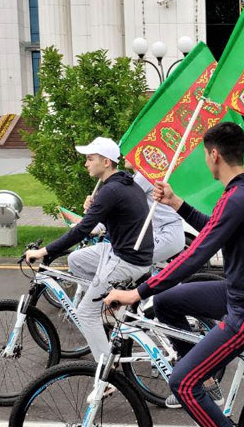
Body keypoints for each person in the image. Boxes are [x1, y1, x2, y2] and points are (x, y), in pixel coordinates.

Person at [104, 121, 244, 427]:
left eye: (205, 155)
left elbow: (195, 254)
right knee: (168, 302)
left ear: (214, 155)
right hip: (239, 292)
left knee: (182, 383)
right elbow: (214, 230)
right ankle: (206, 373)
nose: (206, 160)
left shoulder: (240, 196)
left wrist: (137, 292)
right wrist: (176, 203)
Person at [24, 137, 153, 364]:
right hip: (118, 251)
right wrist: (95, 208)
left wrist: (44, 251)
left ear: (106, 162)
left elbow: (82, 230)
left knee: (85, 313)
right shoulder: (123, 184)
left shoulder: (111, 190)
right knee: (76, 260)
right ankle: (106, 306)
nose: (86, 163)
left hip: (127, 260)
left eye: (90, 158)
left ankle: (106, 374)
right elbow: (102, 223)